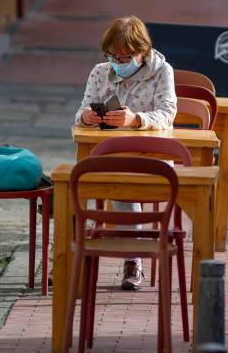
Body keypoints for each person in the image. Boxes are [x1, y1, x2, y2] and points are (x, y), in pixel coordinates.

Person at [75, 16, 177, 290]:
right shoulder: (99, 72)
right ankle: (70, 256)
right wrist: (86, 118)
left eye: (125, 57)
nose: (119, 63)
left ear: (142, 52)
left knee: (124, 186)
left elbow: (168, 114)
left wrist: (136, 120)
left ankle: (133, 261)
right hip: (106, 155)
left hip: (150, 155)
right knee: (71, 185)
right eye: (114, 57)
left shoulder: (162, 71)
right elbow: (81, 110)